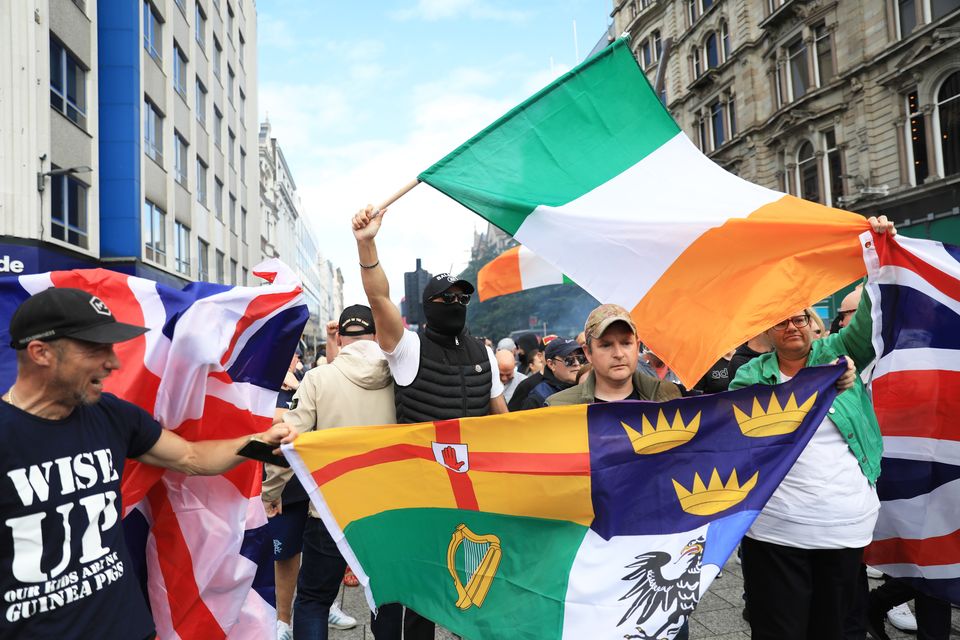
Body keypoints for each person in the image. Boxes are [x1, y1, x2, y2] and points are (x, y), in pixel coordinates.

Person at [0, 287, 294, 639]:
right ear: (40, 352)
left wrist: (256, 442)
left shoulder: (111, 415)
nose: (113, 362)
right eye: (95, 348)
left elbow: (190, 456)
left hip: (130, 629)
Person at [730, 215, 897, 640]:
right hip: (775, 530)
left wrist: (876, 253)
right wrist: (817, 389)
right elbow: (744, 427)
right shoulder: (749, 376)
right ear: (768, 331)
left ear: (812, 321)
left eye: (800, 318)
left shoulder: (839, 353)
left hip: (843, 525)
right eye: (782, 321)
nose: (793, 326)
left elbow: (866, 320)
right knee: (779, 630)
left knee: (838, 629)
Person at [352, 204, 506, 639]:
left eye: (462, 297)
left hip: (470, 495)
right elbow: (379, 299)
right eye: (446, 298)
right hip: (416, 493)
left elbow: (504, 425)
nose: (456, 303)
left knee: (471, 596)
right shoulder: (407, 348)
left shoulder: (486, 355)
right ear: (427, 306)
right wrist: (367, 245)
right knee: (410, 601)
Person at [263, 304, 395, 639]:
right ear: (376, 333)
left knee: (313, 601)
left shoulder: (319, 379)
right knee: (389, 599)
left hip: (330, 508)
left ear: (341, 338)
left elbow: (286, 442)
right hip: (387, 508)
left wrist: (272, 492)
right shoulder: (399, 377)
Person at [546, 304, 682, 406]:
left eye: (626, 343)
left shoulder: (669, 396)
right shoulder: (561, 408)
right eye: (606, 345)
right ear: (588, 353)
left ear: (637, 347)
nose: (618, 354)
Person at [520, 338, 584, 410]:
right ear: (551, 364)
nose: (577, 363)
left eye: (581, 358)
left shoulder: (592, 387)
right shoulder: (538, 398)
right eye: (569, 360)